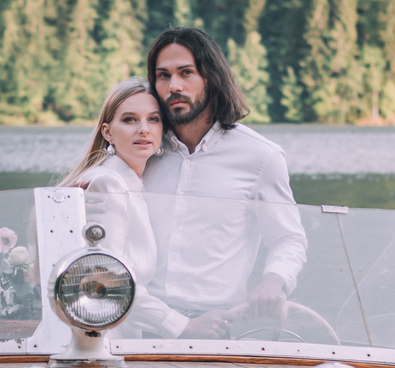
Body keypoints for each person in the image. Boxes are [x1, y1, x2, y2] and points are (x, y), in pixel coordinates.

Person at [140, 26, 307, 332]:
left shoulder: (260, 157)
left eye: (186, 72)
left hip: (218, 326)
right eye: (163, 75)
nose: (173, 85)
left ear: (211, 78)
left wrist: (273, 283)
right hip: (143, 322)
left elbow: (288, 239)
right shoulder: (141, 152)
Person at [59, 77, 187, 335]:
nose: (143, 129)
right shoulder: (108, 183)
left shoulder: (131, 184)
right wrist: (181, 325)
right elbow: (108, 278)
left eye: (153, 119)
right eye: (130, 120)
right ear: (107, 132)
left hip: (121, 330)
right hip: (99, 333)